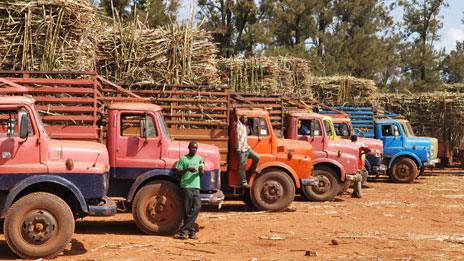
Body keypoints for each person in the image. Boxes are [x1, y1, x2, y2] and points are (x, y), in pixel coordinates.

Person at [175, 141, 204, 240]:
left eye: (196, 148)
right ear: (189, 148)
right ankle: (191, 233)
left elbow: (202, 173)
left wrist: (200, 170)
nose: (194, 149)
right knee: (187, 210)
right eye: (193, 148)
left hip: (196, 186)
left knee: (197, 207)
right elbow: (178, 171)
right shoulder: (183, 159)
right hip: (186, 186)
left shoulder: (199, 159)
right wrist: (187, 170)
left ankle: (183, 231)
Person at [236, 114, 260, 188]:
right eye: (244, 118)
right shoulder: (238, 126)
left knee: (257, 157)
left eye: (246, 119)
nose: (245, 120)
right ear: (241, 119)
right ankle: (243, 183)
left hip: (246, 148)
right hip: (240, 149)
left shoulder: (245, 127)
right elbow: (237, 119)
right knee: (242, 166)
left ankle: (252, 169)